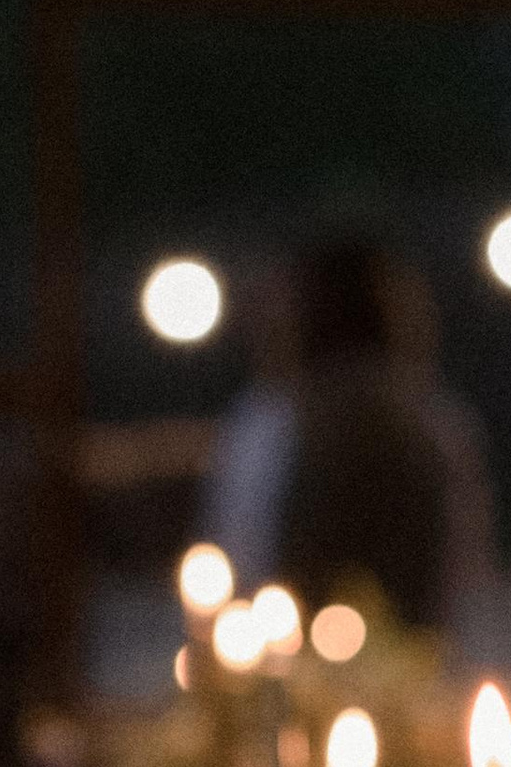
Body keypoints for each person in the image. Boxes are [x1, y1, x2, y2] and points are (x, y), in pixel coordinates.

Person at [202, 238, 493, 633]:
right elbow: (465, 574)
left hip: (378, 649)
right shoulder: (269, 425)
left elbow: (241, 557)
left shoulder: (268, 428)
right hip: (333, 648)